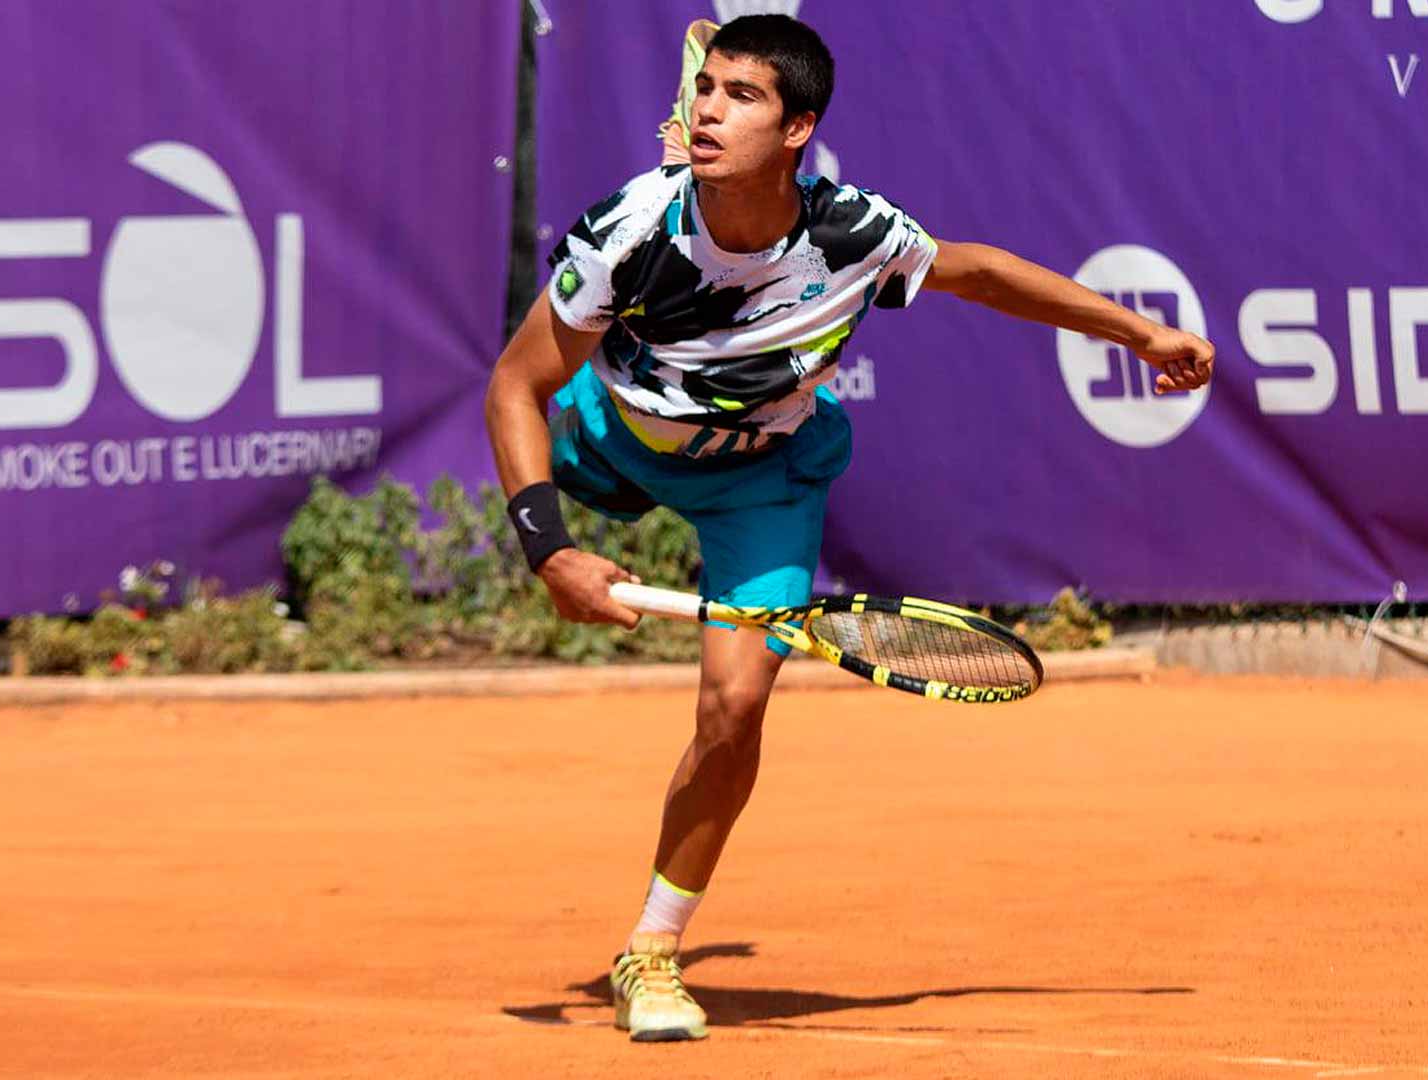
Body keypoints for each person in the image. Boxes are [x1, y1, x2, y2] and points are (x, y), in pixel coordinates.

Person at [483, 14, 1213, 1044]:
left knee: (735, 709)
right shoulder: (629, 232)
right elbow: (514, 386)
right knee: (546, 440)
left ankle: (650, 950)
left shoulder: (853, 234)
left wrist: (1138, 329)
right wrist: (549, 551)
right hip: (612, 438)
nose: (711, 110)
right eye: (707, 90)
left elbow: (979, 273)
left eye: (742, 97)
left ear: (800, 130)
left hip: (764, 477)